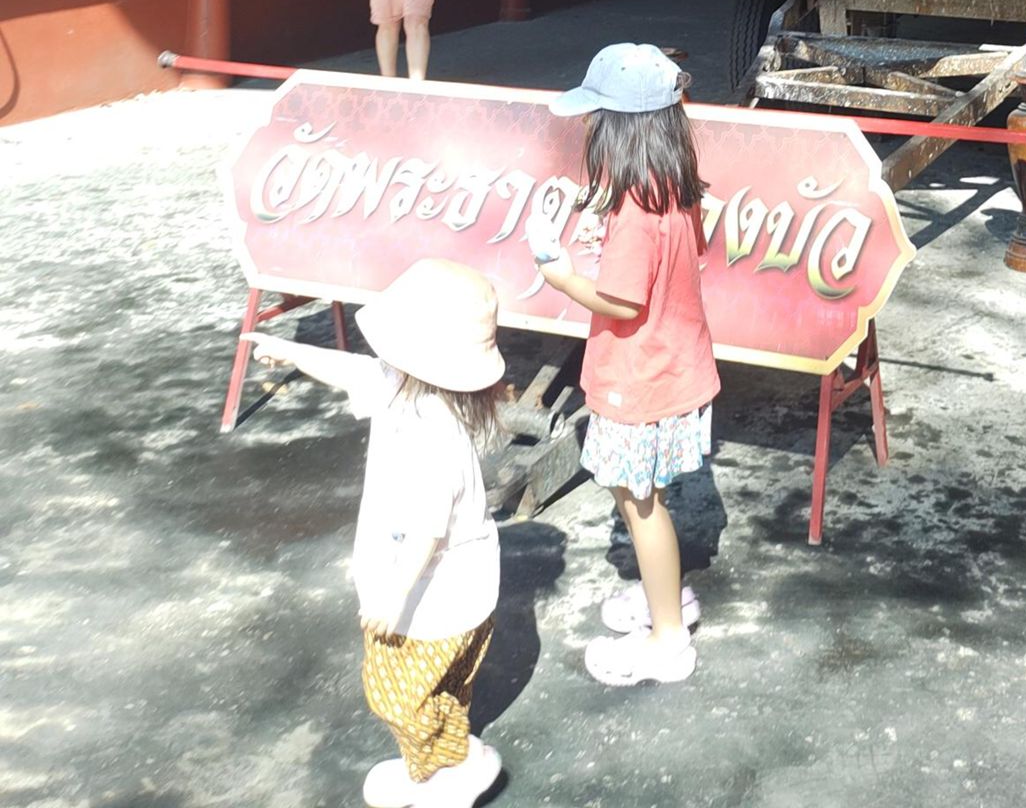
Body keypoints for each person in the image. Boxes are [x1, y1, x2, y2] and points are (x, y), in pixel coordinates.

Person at [243, 259, 507, 808]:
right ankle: (436, 764)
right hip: (440, 588)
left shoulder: (436, 433)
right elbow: (353, 370)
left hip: (435, 596)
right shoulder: (403, 385)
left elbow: (427, 530)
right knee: (436, 689)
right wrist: (291, 352)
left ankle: (458, 769)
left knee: (398, 696)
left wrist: (393, 595)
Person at [536, 43, 719, 688]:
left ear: (620, 130)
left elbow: (621, 300)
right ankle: (665, 596)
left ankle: (667, 639)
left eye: (596, 118)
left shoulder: (637, 211)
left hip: (638, 377)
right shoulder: (671, 188)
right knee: (647, 499)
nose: (588, 128)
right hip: (675, 367)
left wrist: (560, 274)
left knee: (639, 504)